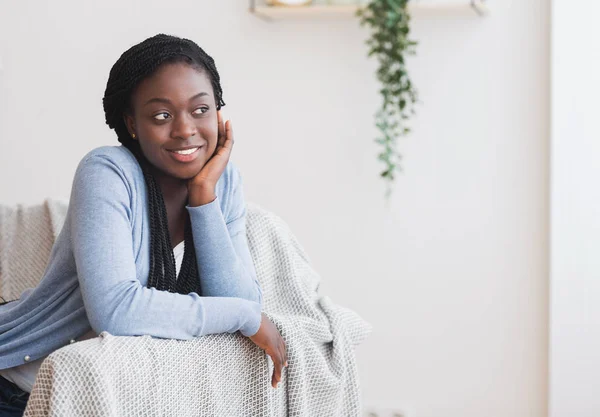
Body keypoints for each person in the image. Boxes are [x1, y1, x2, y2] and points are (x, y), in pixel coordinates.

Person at [0, 33, 287, 415]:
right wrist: (246, 317)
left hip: (107, 392)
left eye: (200, 110)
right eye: (162, 116)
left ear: (218, 112)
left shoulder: (222, 180)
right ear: (132, 123)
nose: (185, 129)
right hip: (15, 384)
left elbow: (239, 298)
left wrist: (203, 197)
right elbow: (117, 313)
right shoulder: (106, 171)